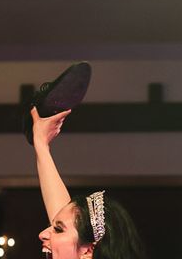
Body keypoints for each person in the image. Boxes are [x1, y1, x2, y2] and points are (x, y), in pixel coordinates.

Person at [32, 107, 146, 259]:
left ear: (88, 251)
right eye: (52, 227)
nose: (42, 234)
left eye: (58, 229)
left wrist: (41, 144)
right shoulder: (77, 244)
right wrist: (41, 143)